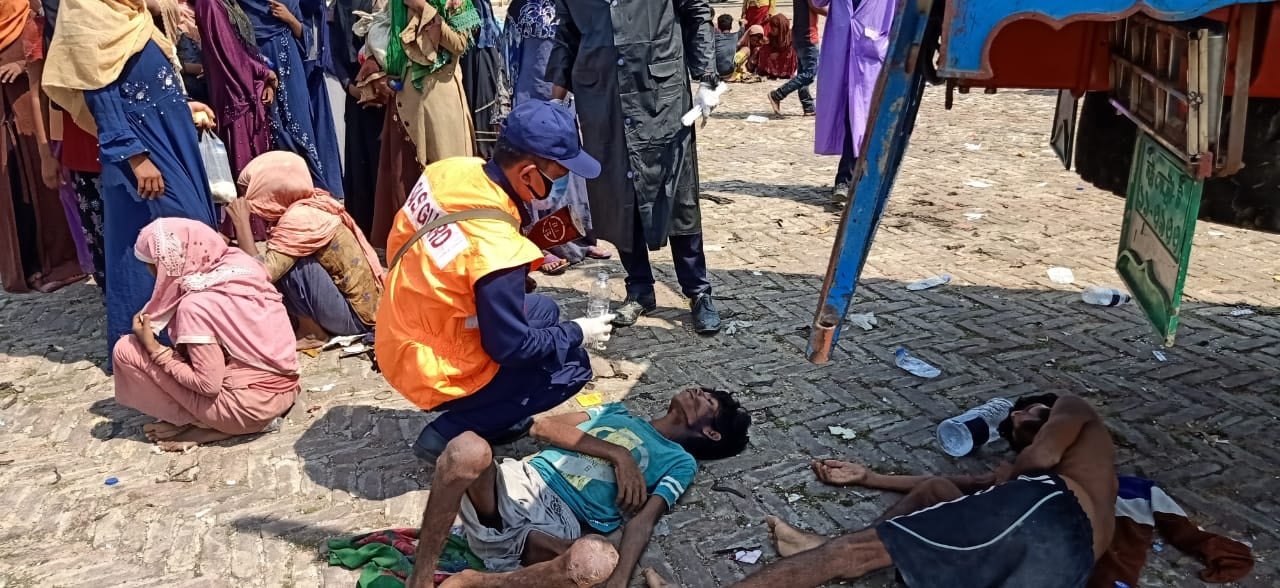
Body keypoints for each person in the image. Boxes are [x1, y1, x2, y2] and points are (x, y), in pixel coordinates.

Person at [375, 99, 615, 462]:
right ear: (528, 173)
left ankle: (498, 413)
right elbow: (511, 348)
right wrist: (578, 331)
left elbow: (412, 243)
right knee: (573, 364)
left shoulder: (453, 171)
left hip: (401, 322)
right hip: (429, 363)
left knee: (545, 309)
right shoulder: (496, 248)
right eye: (560, 172)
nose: (564, 180)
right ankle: (450, 430)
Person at [724, 394, 1116, 588]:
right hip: (1069, 569)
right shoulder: (1090, 476)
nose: (1016, 416)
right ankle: (822, 542)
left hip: (1051, 513)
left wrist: (1014, 470)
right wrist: (868, 477)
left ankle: (834, 548)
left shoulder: (1072, 407)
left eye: (1025, 411)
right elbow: (970, 489)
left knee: (852, 556)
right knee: (937, 489)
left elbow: (1041, 457)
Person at [403, 387, 753, 588]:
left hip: (553, 526)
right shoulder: (617, 412)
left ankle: (476, 583)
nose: (698, 391)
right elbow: (542, 428)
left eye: (709, 400)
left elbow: (642, 522)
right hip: (513, 486)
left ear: (711, 432)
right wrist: (619, 455)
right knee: (467, 449)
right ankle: (420, 578)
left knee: (594, 562)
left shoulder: (679, 461)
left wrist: (619, 580)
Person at [43, 0, 220, 361]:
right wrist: (135, 158)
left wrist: (183, 107)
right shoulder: (87, 13)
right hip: (143, 151)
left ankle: (204, 337)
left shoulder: (132, 14)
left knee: (191, 234)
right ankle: (157, 351)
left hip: (170, 135)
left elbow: (146, 76)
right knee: (165, 240)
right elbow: (100, 93)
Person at [549, 0, 724, 334]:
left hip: (661, 94)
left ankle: (698, 291)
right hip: (601, 98)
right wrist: (556, 100)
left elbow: (697, 11)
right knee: (616, 194)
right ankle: (639, 288)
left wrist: (706, 77)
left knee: (678, 194)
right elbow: (566, 34)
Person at [112, 218, 300, 452]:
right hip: (286, 390)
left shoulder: (196, 304)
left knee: (127, 348)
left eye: (154, 265)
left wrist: (154, 349)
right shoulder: (239, 264)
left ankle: (213, 425)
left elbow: (207, 385)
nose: (153, 274)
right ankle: (226, 422)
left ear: (170, 262)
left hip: (247, 408)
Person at [226, 151, 384, 348]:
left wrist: (241, 225)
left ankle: (312, 333)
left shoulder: (298, 219)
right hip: (361, 310)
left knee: (292, 261)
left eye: (249, 192)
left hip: (356, 320)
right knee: (284, 252)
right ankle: (307, 323)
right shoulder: (309, 203)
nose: (247, 199)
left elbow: (259, 274)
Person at [500, 0, 607, 273]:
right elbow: (508, 53)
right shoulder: (520, 7)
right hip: (529, 93)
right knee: (537, 173)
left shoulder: (574, 4)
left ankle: (581, 237)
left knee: (572, 169)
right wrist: (506, 100)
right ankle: (540, 244)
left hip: (567, 92)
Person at [368, 0, 478, 246]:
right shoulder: (395, 4)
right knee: (405, 176)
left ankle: (451, 247)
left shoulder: (456, 2)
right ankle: (413, 248)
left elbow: (459, 44)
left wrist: (423, 8)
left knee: (447, 175)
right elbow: (384, 38)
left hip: (441, 100)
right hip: (405, 100)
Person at [0, 0, 82, 294]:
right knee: (11, 185)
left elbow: (49, 46)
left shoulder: (27, 12)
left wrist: (22, 65)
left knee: (42, 176)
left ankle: (61, 259)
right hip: (6, 115)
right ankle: (28, 266)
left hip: (33, 109)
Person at [237, 0, 344, 197]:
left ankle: (312, 193)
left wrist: (291, 20)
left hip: (290, 61)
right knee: (272, 133)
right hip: (256, 65)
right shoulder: (243, 7)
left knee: (300, 128)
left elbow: (310, 37)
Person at [814, 0, 895, 205]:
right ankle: (849, 178)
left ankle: (849, 178)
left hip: (871, 54)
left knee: (863, 118)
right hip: (841, 51)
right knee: (850, 115)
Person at [192, 0, 277, 175]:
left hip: (249, 89)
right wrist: (265, 73)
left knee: (261, 172)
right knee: (247, 173)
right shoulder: (209, 3)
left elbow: (247, 47)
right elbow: (230, 52)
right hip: (235, 96)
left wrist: (266, 78)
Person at [768, 0, 822, 116]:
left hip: (799, 36)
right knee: (810, 73)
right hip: (808, 36)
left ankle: (808, 107)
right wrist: (836, 13)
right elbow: (815, 6)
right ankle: (778, 94)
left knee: (803, 73)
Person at [752, 13, 795, 80]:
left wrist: (779, 53)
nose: (771, 30)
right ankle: (766, 70)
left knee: (792, 51)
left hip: (785, 59)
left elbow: (789, 49)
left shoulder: (790, 36)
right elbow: (769, 45)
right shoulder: (772, 35)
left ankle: (784, 72)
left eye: (773, 28)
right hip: (775, 55)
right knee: (762, 49)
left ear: (781, 28)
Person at [713, 14, 744, 79]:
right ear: (731, 27)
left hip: (715, 72)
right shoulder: (735, 36)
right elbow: (742, 31)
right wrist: (742, 24)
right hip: (729, 72)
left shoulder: (715, 38)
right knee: (746, 49)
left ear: (719, 27)